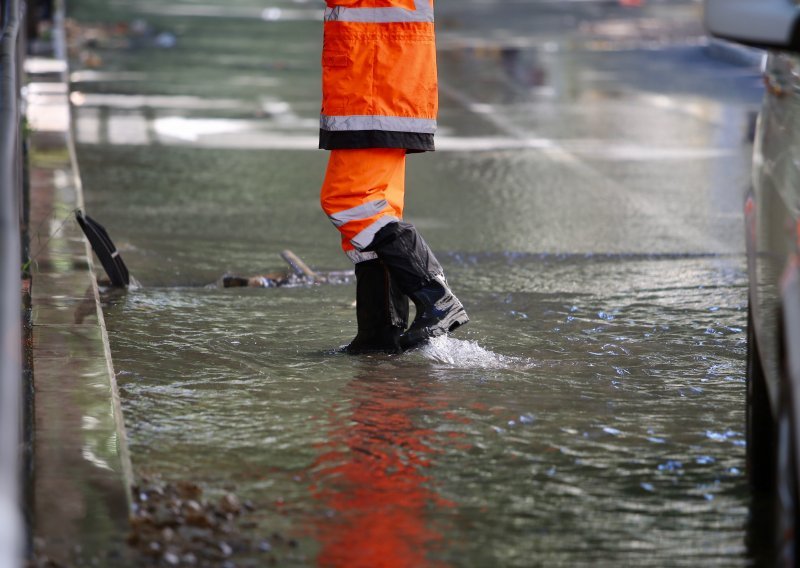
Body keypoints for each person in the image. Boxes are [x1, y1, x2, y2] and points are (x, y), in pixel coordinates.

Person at [319, 0, 468, 354]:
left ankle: (436, 298)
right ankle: (380, 333)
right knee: (373, 208)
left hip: (372, 80)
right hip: (381, 77)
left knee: (351, 201)